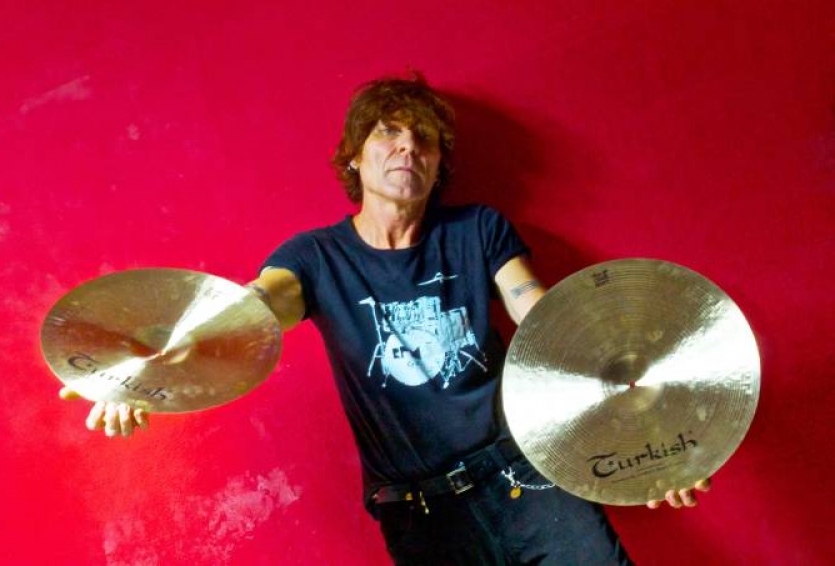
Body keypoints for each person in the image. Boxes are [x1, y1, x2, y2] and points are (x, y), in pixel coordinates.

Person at [63, 73, 710, 565]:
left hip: (526, 477)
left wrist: (645, 438)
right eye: (388, 133)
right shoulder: (313, 257)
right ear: (353, 156)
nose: (408, 147)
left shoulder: (477, 230)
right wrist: (144, 370)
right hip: (420, 511)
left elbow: (548, 323)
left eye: (424, 139)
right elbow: (250, 313)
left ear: (439, 165)